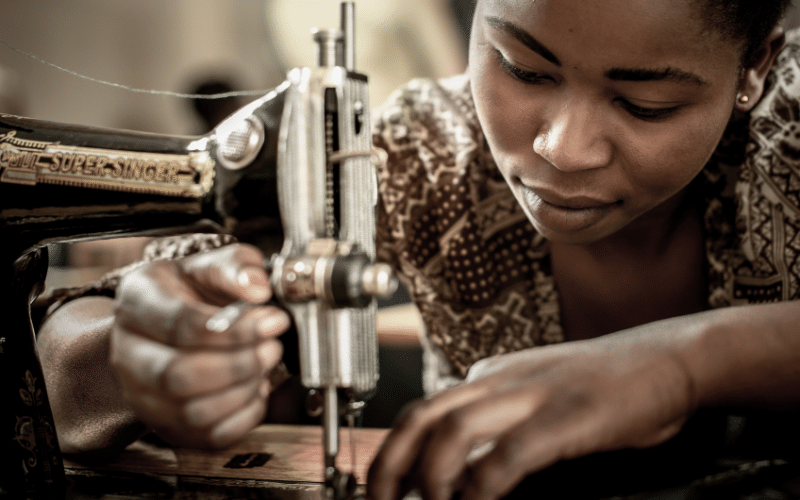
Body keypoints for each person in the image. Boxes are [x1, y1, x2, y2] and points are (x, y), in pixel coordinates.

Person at [35, 0, 800, 498]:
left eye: (645, 104)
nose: (562, 149)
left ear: (756, 67)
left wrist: (680, 365)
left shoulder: (791, 132)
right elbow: (62, 370)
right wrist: (136, 361)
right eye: (522, 68)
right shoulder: (417, 155)